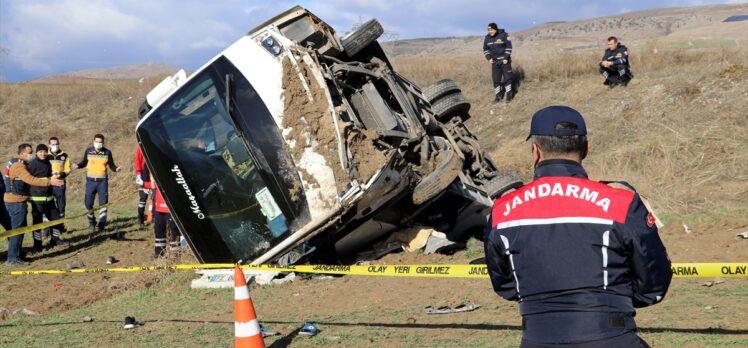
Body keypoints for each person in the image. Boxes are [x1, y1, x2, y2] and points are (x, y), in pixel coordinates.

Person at [484, 106, 672, 347]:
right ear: (586, 149)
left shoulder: (502, 210)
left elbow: (505, 286)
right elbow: (653, 283)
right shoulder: (621, 202)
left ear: (535, 151)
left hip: (537, 338)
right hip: (612, 336)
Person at [4, 143, 64, 265]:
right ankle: (12, 259)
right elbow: (30, 179)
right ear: (22, 153)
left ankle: (17, 255)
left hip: (18, 201)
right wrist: (49, 182)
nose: (32, 155)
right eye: (30, 152)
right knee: (17, 231)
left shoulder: (17, 162)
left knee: (20, 230)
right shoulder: (18, 166)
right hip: (16, 202)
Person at [72, 134, 121, 237]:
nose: (98, 143)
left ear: (103, 142)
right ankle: (92, 222)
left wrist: (116, 169)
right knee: (88, 204)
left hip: (102, 182)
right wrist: (78, 165)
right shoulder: (88, 151)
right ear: (93, 141)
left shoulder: (107, 152)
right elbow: (84, 162)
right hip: (90, 181)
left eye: (100, 142)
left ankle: (102, 225)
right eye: (97, 141)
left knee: (103, 204)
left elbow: (111, 165)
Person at [27, 144, 68, 252]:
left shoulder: (47, 163)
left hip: (49, 198)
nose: (43, 154)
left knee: (55, 219)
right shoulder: (31, 164)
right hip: (37, 199)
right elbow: (28, 180)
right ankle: (37, 245)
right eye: (40, 151)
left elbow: (48, 177)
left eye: (45, 152)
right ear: (36, 153)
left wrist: (55, 176)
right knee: (37, 223)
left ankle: (55, 240)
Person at [143, 180, 180, 258]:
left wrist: (144, 183)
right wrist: (143, 183)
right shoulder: (158, 174)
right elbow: (154, 184)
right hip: (159, 208)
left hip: (170, 208)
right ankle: (159, 253)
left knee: (173, 230)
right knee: (158, 230)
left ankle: (175, 254)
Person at [483, 22, 515, 102]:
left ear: (495, 29)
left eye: (491, 30)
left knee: (507, 78)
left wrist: (505, 57)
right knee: (496, 80)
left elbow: (509, 47)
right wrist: (488, 58)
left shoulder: (503, 35)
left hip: (505, 61)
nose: (490, 31)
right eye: (488, 30)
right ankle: (498, 96)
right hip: (495, 62)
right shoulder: (487, 38)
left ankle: (509, 96)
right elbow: (485, 49)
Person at [48, 137, 70, 220]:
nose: (55, 146)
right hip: (49, 183)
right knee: (48, 205)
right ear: (49, 145)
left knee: (61, 205)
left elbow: (67, 169)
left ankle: (60, 226)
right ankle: (47, 230)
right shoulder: (45, 155)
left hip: (60, 183)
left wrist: (61, 174)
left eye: (56, 144)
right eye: (53, 144)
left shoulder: (64, 155)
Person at [134, 146, 150, 227]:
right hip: (144, 174)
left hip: (155, 173)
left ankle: (154, 218)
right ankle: (140, 217)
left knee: (155, 198)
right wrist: (138, 174)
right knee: (143, 198)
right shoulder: (141, 146)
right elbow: (137, 160)